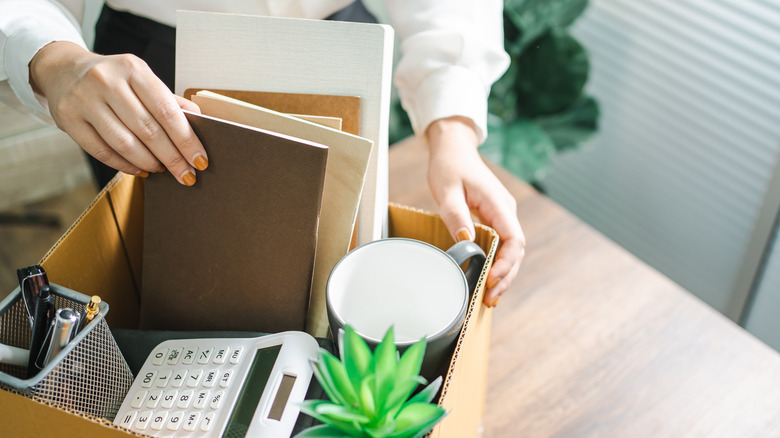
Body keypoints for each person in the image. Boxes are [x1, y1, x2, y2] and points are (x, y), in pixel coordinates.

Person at [0, 0, 525, 307]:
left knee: (341, 271)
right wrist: (53, 57)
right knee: (179, 287)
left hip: (342, 49)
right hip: (153, 76)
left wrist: (451, 124)